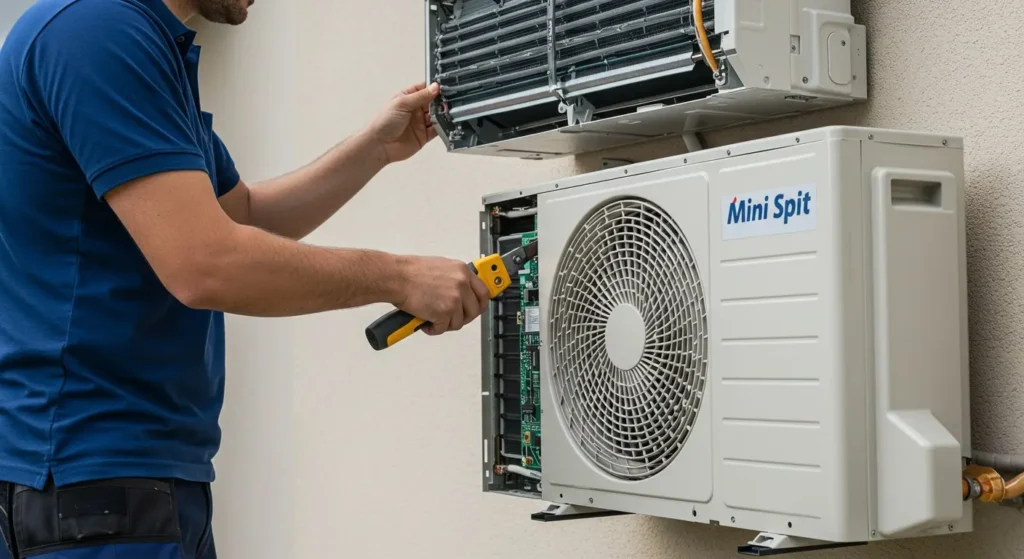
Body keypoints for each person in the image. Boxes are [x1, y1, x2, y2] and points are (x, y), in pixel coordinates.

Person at [0, 0, 491, 557]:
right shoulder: (95, 33)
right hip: (92, 483)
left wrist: (376, 147)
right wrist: (397, 276)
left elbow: (245, 212)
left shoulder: (140, 45)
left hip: (138, 481)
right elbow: (204, 262)